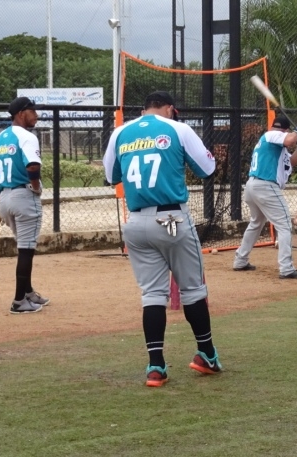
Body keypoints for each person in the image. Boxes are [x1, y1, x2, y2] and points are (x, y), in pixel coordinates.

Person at [103, 91, 223, 386]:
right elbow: (208, 169)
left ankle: (155, 367)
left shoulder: (120, 132)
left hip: (137, 222)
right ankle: (206, 354)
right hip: (171, 219)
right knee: (193, 289)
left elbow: (111, 175)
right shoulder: (178, 128)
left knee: (153, 295)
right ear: (170, 108)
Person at [0, 97, 50, 314]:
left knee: (23, 245)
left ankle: (29, 292)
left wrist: (0, 202)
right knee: (26, 250)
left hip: (4, 198)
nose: (37, 115)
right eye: (33, 111)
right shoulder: (27, 137)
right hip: (24, 195)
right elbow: (33, 166)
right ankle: (19, 301)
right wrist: (36, 188)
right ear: (21, 113)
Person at [233, 114, 297, 278]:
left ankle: (240, 260)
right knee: (284, 225)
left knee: (256, 223)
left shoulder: (275, 147)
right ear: (284, 130)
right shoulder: (272, 134)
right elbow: (289, 140)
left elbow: (292, 161)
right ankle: (286, 268)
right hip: (265, 186)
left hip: (254, 187)